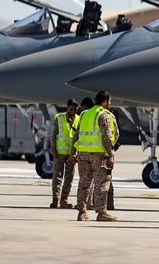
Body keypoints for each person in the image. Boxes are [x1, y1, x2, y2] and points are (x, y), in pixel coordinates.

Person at [69, 91, 118, 222]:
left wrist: (72, 153)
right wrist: (111, 154)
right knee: (101, 184)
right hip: (99, 155)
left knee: (84, 184)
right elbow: (107, 136)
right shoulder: (104, 115)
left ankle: (82, 213)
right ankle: (101, 212)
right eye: (109, 101)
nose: (110, 103)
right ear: (105, 102)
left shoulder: (84, 114)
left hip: (83, 154)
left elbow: (76, 135)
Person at [49, 98, 79, 208]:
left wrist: (76, 154)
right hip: (60, 153)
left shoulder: (79, 119)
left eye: (75, 110)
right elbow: (53, 134)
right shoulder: (59, 118)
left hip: (72, 154)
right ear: (67, 108)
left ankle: (64, 200)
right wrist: (53, 149)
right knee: (57, 176)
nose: (73, 112)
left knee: (69, 178)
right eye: (71, 109)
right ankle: (55, 200)